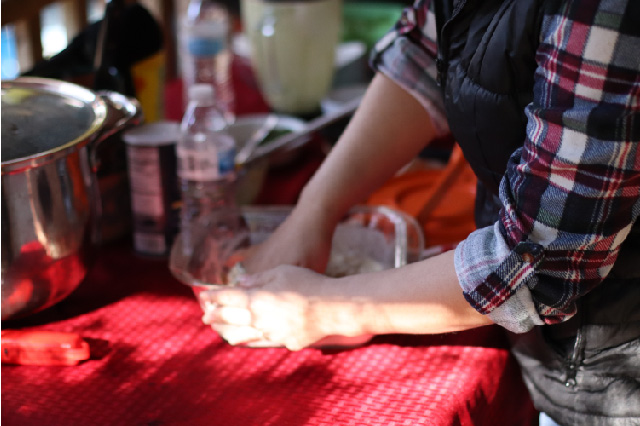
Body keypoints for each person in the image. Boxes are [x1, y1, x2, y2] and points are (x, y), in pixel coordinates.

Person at [200, 0, 640, 424]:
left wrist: (329, 308)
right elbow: (426, 54)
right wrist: (313, 211)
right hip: (558, 349)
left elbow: (541, 257)